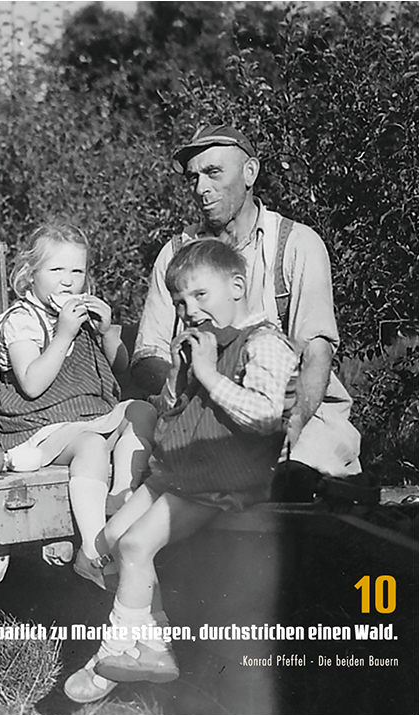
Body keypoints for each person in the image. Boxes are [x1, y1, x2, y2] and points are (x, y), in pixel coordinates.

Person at [64, 240, 299, 703]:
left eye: (200, 296)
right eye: (180, 302)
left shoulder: (263, 342)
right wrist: (179, 373)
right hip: (180, 472)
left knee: (134, 545)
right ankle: (153, 640)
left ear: (237, 287)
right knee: (107, 541)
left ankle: (114, 653)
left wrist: (209, 374)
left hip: (221, 479)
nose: (189, 310)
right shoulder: (202, 345)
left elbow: (267, 416)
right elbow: (172, 412)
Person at [131, 125, 361, 498]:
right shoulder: (176, 254)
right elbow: (146, 358)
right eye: (194, 178)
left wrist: (293, 425)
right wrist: (192, 380)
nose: (201, 188)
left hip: (294, 411)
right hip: (200, 412)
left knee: (295, 480)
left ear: (250, 172)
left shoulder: (295, 244)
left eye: (214, 173)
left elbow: (317, 351)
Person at [0, 223, 157, 588]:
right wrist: (63, 334)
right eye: (56, 270)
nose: (68, 281)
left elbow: (119, 369)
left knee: (142, 412)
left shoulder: (81, 317)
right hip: (35, 426)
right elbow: (31, 384)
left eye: (77, 271)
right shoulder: (23, 320)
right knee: (92, 444)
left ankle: (119, 501)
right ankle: (93, 554)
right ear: (29, 276)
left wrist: (107, 331)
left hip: (83, 419)